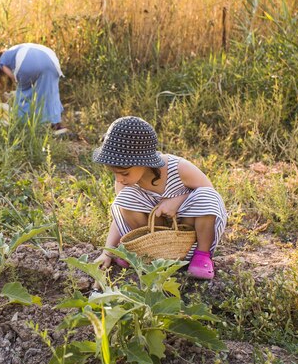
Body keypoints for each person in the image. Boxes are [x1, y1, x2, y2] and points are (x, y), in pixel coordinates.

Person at [92, 116, 227, 279]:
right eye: (114, 174)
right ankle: (145, 253)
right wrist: (107, 252)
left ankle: (202, 256)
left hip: (186, 237)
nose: (119, 179)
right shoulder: (125, 183)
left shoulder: (179, 168)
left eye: (124, 173)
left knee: (206, 196)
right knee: (125, 198)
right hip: (155, 239)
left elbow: (210, 196)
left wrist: (177, 201)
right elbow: (119, 218)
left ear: (144, 161)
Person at [0, 43, 68, 135]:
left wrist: (16, 87)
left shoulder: (2, 59)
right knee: (50, 92)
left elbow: (14, 78)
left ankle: (22, 124)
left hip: (28, 63)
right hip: (51, 61)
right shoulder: (16, 49)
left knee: (23, 93)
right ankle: (56, 125)